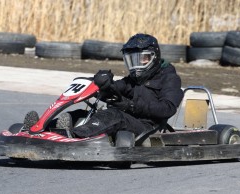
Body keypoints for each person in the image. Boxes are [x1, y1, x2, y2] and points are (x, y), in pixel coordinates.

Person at [25, 33, 184, 142]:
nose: (136, 65)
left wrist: (131, 105)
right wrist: (103, 83)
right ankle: (42, 129)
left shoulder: (170, 79)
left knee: (114, 116)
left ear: (154, 57)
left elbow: (167, 109)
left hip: (148, 126)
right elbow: (119, 87)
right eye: (132, 60)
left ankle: (73, 137)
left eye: (141, 59)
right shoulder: (134, 79)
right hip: (129, 118)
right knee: (83, 113)